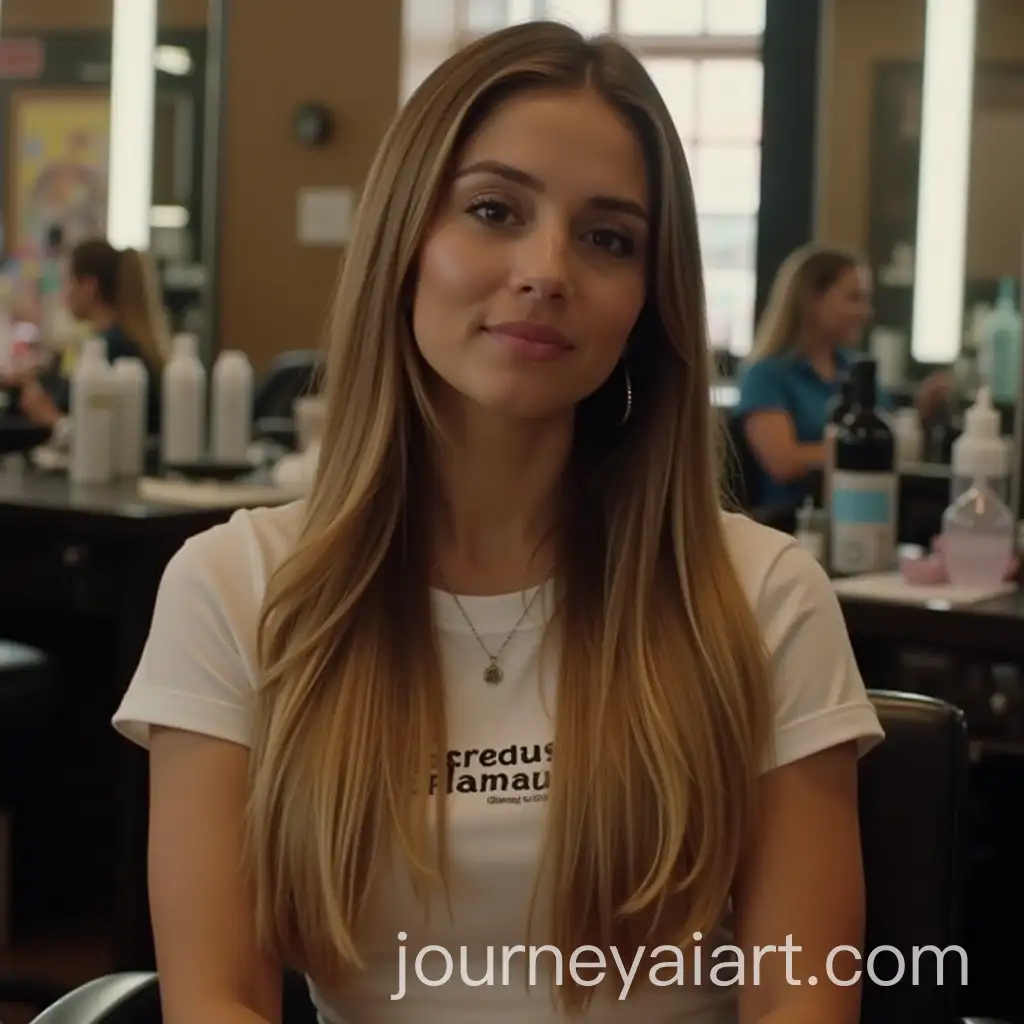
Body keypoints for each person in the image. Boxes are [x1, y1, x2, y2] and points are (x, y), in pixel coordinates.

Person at [112, 22, 883, 1024]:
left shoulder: (760, 595)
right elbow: (217, 1000)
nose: (546, 268)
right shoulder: (233, 588)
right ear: (405, 240)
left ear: (648, 303)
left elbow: (803, 1000)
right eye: (493, 209)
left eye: (607, 238)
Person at [736, 244, 952, 507]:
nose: (866, 312)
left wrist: (921, 414)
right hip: (795, 524)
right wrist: (862, 448)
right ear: (812, 300)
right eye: (854, 298)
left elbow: (887, 433)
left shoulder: (854, 369)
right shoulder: (767, 376)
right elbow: (783, 461)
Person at [15, 239, 167, 431]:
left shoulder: (115, 348)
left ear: (88, 286)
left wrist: (49, 417)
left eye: (67, 282)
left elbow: (97, 433)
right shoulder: (113, 341)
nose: (64, 294)